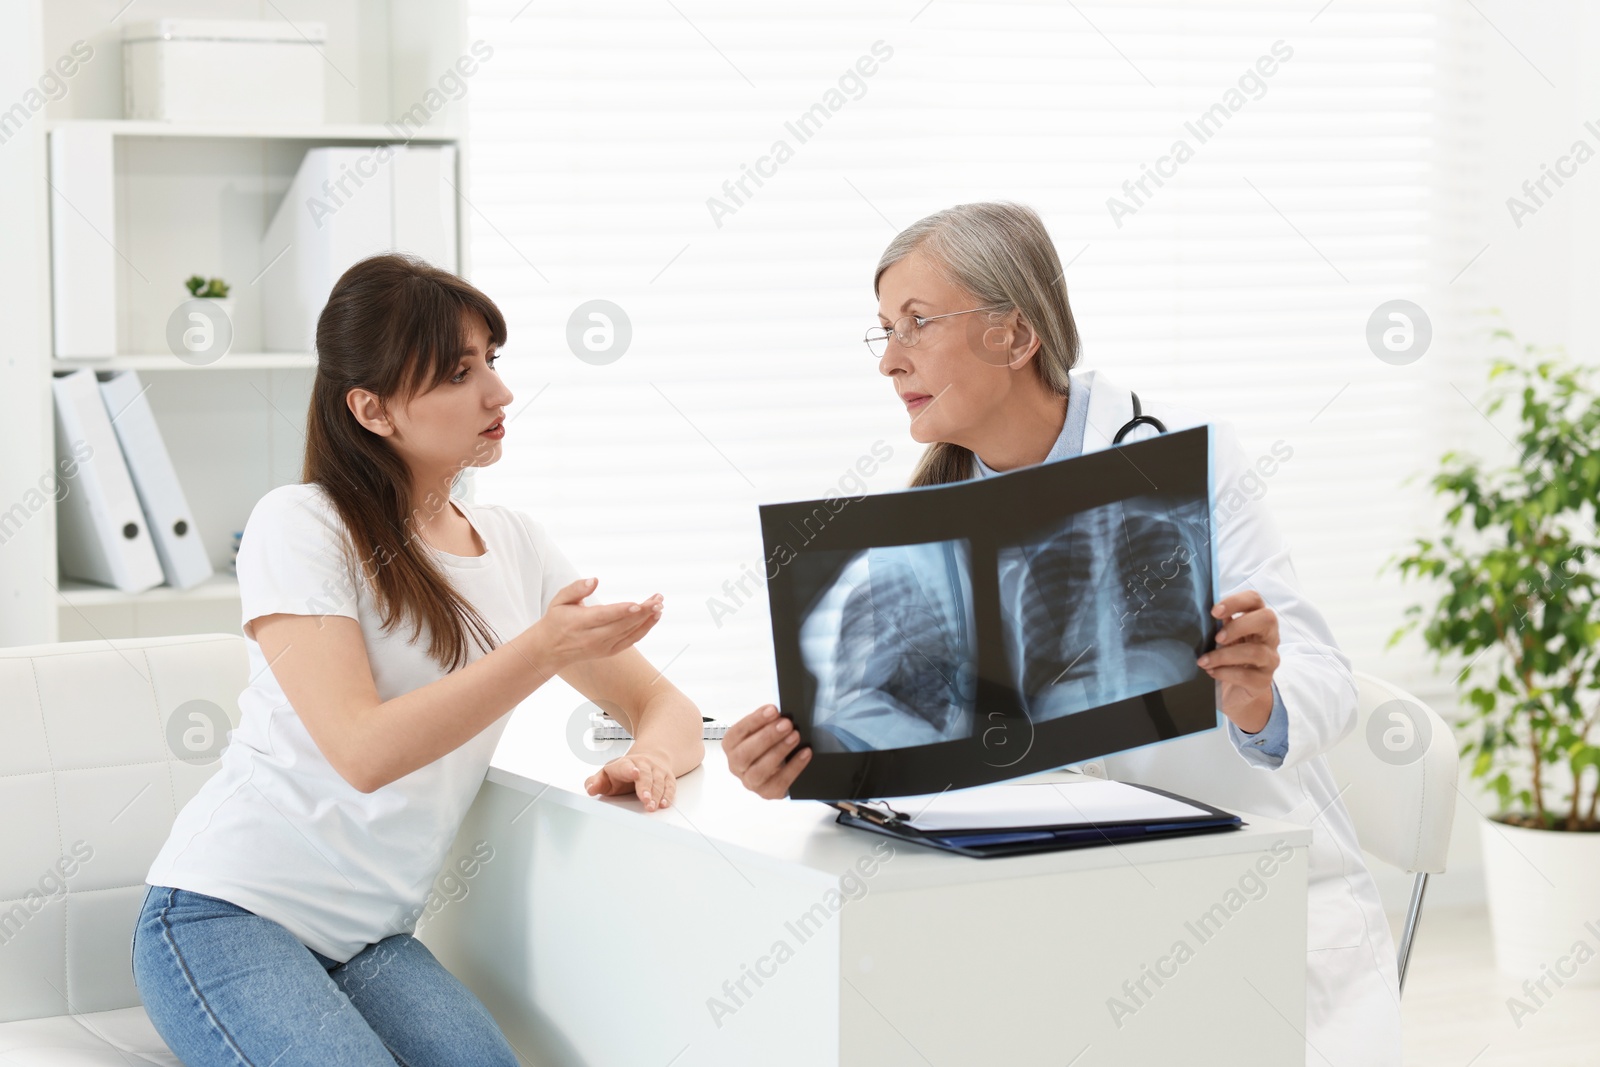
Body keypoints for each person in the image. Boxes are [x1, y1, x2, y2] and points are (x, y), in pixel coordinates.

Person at [722, 202, 1401, 1066]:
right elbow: (915, 767)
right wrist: (807, 764)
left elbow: (1326, 683)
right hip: (1047, 913)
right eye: (885, 332)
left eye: (918, 325)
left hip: (1245, 897)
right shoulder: (911, 537)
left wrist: (1259, 694)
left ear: (1015, 334)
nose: (891, 361)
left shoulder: (1187, 464)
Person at [133, 253, 705, 1066]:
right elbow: (363, 750)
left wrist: (648, 758)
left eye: (493, 362)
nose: (498, 393)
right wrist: (540, 649)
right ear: (371, 408)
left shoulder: (516, 544)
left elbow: (669, 708)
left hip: (368, 938)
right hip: (227, 912)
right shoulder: (300, 524)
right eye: (457, 372)